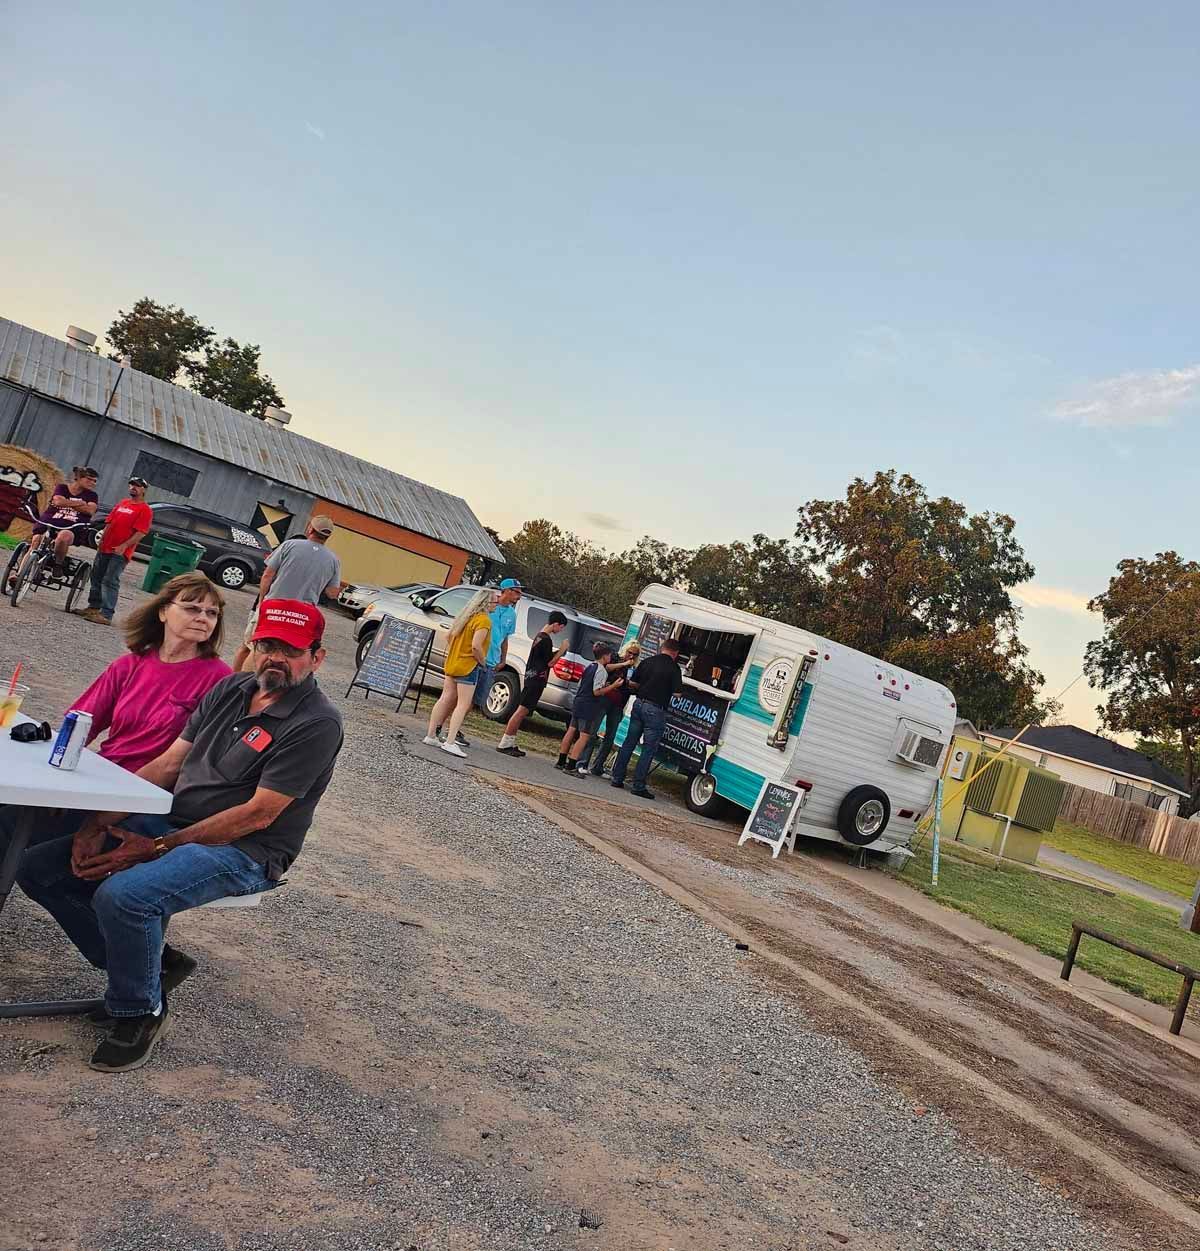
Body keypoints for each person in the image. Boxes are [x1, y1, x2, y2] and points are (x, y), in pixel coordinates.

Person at [17, 599, 344, 1073]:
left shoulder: (316, 721)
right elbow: (169, 765)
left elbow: (258, 815)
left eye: (290, 650)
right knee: (40, 868)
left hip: (245, 850)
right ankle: (154, 968)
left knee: (126, 897)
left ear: (317, 658)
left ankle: (140, 1012)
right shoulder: (232, 688)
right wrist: (96, 824)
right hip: (172, 823)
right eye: (267, 644)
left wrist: (154, 848)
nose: (275, 657)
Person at [0, 570, 232, 857]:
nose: (203, 618)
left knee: (10, 825)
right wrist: (56, 781)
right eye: (191, 608)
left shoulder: (220, 679)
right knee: (11, 802)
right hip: (101, 777)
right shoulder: (129, 664)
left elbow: (184, 763)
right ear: (163, 612)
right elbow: (81, 723)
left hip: (146, 795)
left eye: (212, 613)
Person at [234, 515, 341, 671]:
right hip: (300, 616)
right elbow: (332, 593)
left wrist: (263, 600)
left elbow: (267, 575)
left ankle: (234, 682)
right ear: (328, 536)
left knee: (251, 647)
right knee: (284, 654)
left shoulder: (289, 545)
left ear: (310, 528)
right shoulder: (333, 560)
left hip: (273, 606)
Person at [610, 637, 684, 799]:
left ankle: (617, 778)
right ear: (676, 653)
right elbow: (678, 693)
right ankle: (638, 785)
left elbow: (633, 684)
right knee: (648, 749)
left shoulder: (648, 661)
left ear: (662, 647)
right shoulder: (674, 668)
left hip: (638, 705)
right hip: (656, 710)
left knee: (629, 742)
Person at [422, 589, 491, 758]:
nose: (496, 604)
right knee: (463, 704)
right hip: (468, 666)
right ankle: (450, 741)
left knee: (445, 698)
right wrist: (482, 662)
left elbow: (448, 636)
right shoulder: (483, 620)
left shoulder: (464, 617)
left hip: (453, 663)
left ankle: (431, 735)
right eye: (494, 601)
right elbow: (476, 646)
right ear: (486, 603)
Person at [80, 475, 152, 625]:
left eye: (137, 485)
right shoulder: (123, 503)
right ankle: (94, 607)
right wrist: (101, 540)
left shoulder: (144, 509)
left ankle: (106, 614)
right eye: (131, 484)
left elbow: (141, 532)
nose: (133, 487)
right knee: (96, 576)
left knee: (110, 580)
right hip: (105, 547)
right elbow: (109, 522)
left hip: (120, 551)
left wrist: (124, 546)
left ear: (144, 489)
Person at [495, 610, 569, 757]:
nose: (560, 630)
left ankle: (510, 741)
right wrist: (562, 650)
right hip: (536, 680)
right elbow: (550, 663)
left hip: (532, 677)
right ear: (555, 624)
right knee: (521, 711)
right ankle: (505, 742)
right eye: (561, 627)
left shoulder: (540, 636)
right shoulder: (546, 639)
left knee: (524, 711)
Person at [578, 640, 641, 777]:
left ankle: (598, 767)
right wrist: (624, 664)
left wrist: (632, 684)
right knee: (592, 731)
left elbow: (634, 684)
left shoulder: (634, 668)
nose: (631, 656)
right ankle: (582, 762)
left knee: (610, 736)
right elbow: (606, 667)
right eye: (630, 652)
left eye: (635, 655)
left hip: (619, 703)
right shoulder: (615, 657)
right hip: (604, 698)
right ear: (625, 650)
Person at [555, 641, 620, 771]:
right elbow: (596, 692)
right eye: (609, 655)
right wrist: (613, 686)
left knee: (571, 730)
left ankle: (561, 760)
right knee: (584, 735)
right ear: (604, 656)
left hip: (579, 700)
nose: (610, 658)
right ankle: (572, 764)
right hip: (589, 705)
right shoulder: (601, 671)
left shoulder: (590, 666)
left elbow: (584, 684)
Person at [472, 577, 524, 720]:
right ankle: (445, 727)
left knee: (477, 699)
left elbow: (505, 638)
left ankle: (455, 730)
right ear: (506, 591)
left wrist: (503, 659)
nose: (519, 597)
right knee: (463, 696)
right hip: (477, 657)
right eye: (517, 592)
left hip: (492, 662)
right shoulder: (489, 607)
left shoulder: (511, 614)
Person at [31, 465, 99, 573]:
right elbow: (58, 502)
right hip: (50, 521)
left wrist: (66, 502)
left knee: (63, 536)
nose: (93, 483)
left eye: (95, 481)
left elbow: (90, 510)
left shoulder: (92, 495)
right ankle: (19, 574)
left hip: (72, 526)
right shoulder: (62, 488)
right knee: (36, 540)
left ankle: (58, 565)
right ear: (78, 478)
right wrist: (80, 503)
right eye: (89, 479)